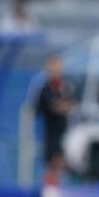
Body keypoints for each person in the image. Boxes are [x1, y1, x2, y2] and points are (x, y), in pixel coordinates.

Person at [35, 55, 74, 186]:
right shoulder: (45, 90)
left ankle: (61, 188)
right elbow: (45, 107)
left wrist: (64, 107)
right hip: (51, 133)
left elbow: (70, 105)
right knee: (52, 164)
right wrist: (59, 107)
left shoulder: (66, 87)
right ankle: (51, 189)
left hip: (65, 132)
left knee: (62, 163)